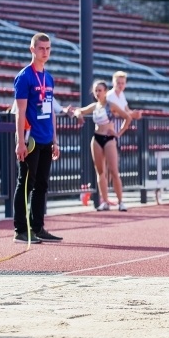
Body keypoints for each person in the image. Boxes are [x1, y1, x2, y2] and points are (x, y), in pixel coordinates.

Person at [12, 32, 62, 244]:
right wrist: (20, 141)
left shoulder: (48, 77)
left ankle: (38, 226)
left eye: (48, 48)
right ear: (32, 49)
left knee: (42, 185)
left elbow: (50, 111)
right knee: (26, 184)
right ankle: (21, 230)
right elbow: (20, 112)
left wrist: (55, 139)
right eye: (41, 48)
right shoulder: (24, 77)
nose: (45, 52)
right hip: (30, 139)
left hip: (46, 138)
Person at [73, 80, 132, 211]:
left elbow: (127, 117)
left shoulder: (111, 105)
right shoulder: (95, 106)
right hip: (97, 138)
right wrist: (78, 115)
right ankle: (104, 201)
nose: (98, 93)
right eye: (96, 91)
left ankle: (121, 201)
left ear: (105, 91)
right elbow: (79, 111)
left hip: (109, 138)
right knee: (100, 172)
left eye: (100, 90)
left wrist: (119, 133)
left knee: (114, 171)